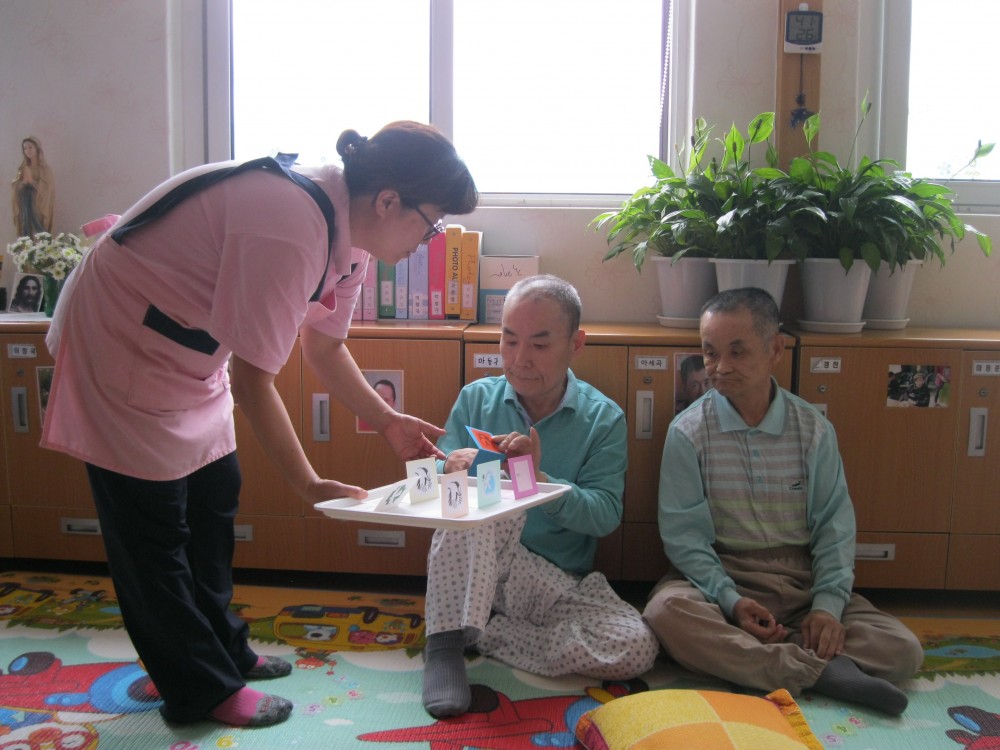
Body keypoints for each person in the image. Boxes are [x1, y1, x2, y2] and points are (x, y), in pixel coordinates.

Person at [40, 121, 478, 728]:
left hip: (189, 350)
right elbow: (253, 381)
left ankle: (225, 650)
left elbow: (325, 347)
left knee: (215, 499)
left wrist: (385, 420)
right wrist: (308, 483)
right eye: (431, 225)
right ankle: (200, 689)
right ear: (387, 201)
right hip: (120, 336)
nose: (430, 241)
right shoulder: (291, 224)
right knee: (153, 532)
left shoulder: (351, 242)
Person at [643, 287, 923, 716]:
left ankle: (769, 654)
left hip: (801, 581)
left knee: (902, 649)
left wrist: (827, 608)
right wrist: (731, 601)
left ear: (775, 349)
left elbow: (834, 526)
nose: (720, 367)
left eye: (737, 352)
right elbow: (685, 539)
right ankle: (821, 670)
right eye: (710, 353)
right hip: (722, 578)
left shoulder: (812, 429)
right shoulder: (688, 432)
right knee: (665, 613)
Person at [421, 274, 659, 718]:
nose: (520, 359)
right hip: (477, 568)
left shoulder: (603, 419)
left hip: (554, 582)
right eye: (509, 340)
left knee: (635, 646)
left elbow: (606, 515)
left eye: (540, 344)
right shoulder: (476, 399)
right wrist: (447, 467)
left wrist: (541, 482)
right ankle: (445, 644)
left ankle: (485, 632)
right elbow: (429, 483)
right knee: (475, 502)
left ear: (575, 344)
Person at [11, 136, 55, 237]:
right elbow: (15, 186)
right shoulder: (22, 168)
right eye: (25, 148)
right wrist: (22, 184)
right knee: (26, 225)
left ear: (37, 148)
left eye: (30, 147)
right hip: (25, 205)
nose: (28, 150)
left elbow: (48, 189)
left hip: (38, 205)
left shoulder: (44, 169)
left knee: (39, 229)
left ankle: (43, 240)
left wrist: (33, 183)